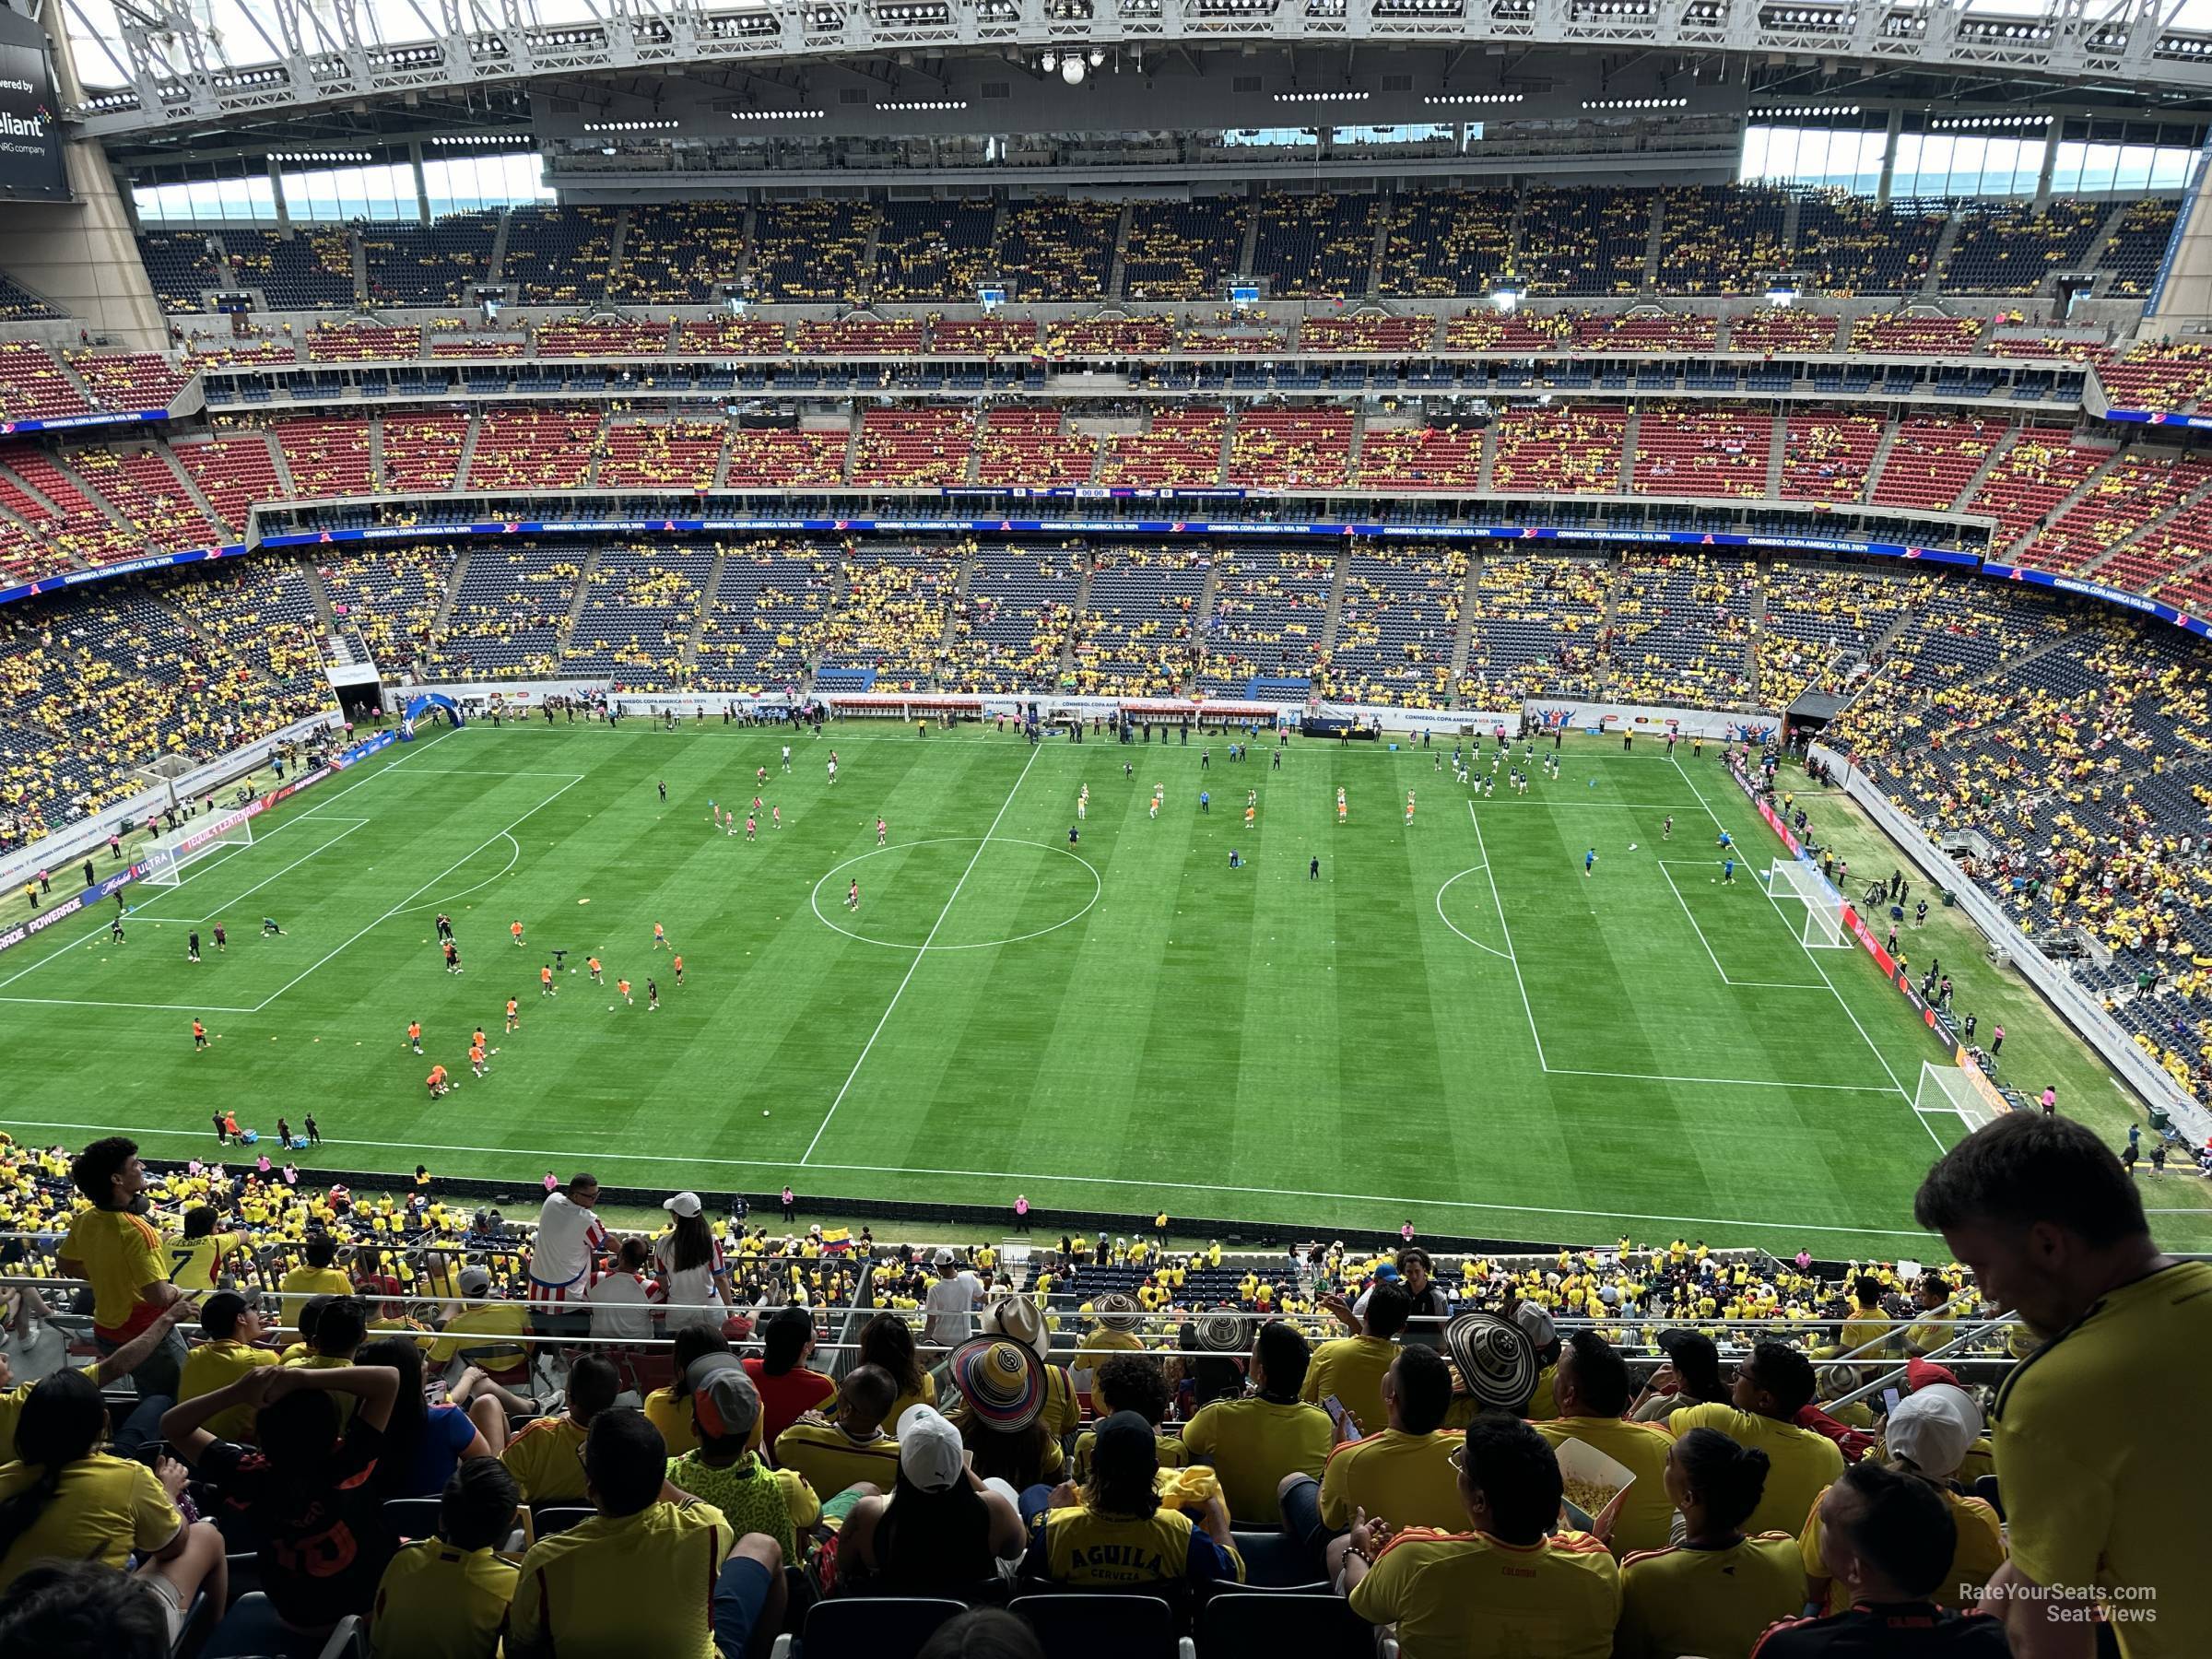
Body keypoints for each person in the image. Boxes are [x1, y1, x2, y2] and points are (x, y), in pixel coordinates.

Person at [1912, 1112, 2210, 1659]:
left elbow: (2046, 1641)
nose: (1988, 1297)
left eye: (1980, 1267)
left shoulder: (2053, 1396)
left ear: (2048, 1244)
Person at [507, 1407, 784, 1659]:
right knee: (761, 1544)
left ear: (590, 1488)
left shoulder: (545, 1560)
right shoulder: (708, 1529)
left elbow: (521, 1644)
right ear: (661, 1477)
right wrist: (646, 1469)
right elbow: (697, 1505)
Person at [161, 1360, 403, 1646]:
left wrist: (238, 1392)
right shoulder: (349, 1462)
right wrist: (302, 1378)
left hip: (295, 1617)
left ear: (261, 1438)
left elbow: (172, 1425)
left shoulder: (244, 1474)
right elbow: (389, 1378)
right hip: (369, 1611)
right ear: (334, 1436)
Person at [1338, 1413, 1618, 1656]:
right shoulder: (1599, 1568)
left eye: (1462, 1465)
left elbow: (1361, 1598)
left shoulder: (1416, 1558)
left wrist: (1358, 1551)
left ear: (1480, 1501)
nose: (1458, 1473)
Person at [1754, 1463, 2009, 1656]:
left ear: (1855, 1569)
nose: (1820, 1529)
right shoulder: (1988, 1638)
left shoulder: (1789, 1646)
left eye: (1826, 1522)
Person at [1799, 1382, 2004, 1616]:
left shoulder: (1836, 1503)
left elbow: (1812, 1589)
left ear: (1889, 1439)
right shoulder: (1981, 1518)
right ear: (1956, 1465)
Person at [1615, 1427, 1802, 1659]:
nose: (1665, 1466)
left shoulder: (1642, 1574)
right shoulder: (1786, 1550)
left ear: (1688, 1498)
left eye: (1669, 1462)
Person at [1286, 1343, 1465, 1569]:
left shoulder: (1349, 1458)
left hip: (1373, 1570)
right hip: (1444, 1566)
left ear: (1391, 1396)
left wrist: (1335, 1454)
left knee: (1292, 1483)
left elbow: (1328, 1521)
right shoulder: (1466, 1453)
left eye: (1390, 1372)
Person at [1022, 1411, 1242, 1591]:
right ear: (1155, 1469)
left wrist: (1053, 1514)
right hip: (1158, 1644)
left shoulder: (1056, 1533)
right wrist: (1212, 1506)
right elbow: (1232, 1572)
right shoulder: (1179, 1533)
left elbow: (1026, 1586)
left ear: (1093, 1461)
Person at [840, 1404, 1027, 1594]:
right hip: (969, 1617)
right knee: (997, 1485)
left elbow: (844, 1565)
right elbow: (1015, 1551)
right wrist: (956, 1466)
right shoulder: (995, 1508)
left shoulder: (868, 1514)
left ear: (904, 1460)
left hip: (897, 1619)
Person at [1665, 1340, 1843, 1538]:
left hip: (1724, 1554)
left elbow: (1651, 1429)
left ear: (1765, 1399)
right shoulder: (1830, 1452)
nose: (1734, 1378)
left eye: (1740, 1373)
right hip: (1789, 1562)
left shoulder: (1718, 1419)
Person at [55, 1138, 187, 1400]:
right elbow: (159, 1296)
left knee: (148, 1391)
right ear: (117, 1179)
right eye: (135, 1164)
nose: (143, 1166)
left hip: (105, 1329)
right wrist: (176, 1291)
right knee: (175, 1397)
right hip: (146, 1335)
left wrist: (110, 1274)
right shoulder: (139, 1231)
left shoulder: (85, 1219)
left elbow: (65, 1263)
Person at [664, 1358, 818, 1570]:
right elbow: (816, 1522)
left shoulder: (663, 1480)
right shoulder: (787, 1487)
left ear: (693, 1428)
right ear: (754, 1426)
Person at [1531, 1332, 1676, 1556]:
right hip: (1642, 1576)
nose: (1554, 1378)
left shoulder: (1527, 1446)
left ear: (1570, 1395)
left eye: (1558, 1372)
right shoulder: (1664, 1446)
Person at [1181, 1320, 1333, 1525]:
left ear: (1260, 1372)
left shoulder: (1218, 1414)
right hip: (1294, 1534)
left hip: (1229, 1529)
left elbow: (1182, 1443)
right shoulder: (1324, 1422)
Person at [367, 1458, 520, 1659]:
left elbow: (377, 1641)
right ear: (512, 1519)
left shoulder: (404, 1558)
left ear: (442, 1517)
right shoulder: (512, 1584)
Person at [361, 1336, 496, 1501]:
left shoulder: (363, 1423)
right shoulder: (446, 1416)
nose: (425, 1363)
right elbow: (484, 1463)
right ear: (413, 1373)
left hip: (384, 1520)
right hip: (442, 1517)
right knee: (488, 1404)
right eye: (418, 1358)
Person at [774, 1361, 901, 1501]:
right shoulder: (898, 1458)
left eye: (841, 1388)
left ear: (847, 1409)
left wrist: (807, 1422)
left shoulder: (800, 1437)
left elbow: (780, 1449)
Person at [500, 1355, 620, 1503]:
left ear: (568, 1397)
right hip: (597, 1523)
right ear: (618, 1389)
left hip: (538, 1524)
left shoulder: (538, 1433)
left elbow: (501, 1484)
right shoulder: (622, 1442)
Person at [1301, 1278, 1410, 1436]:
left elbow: (1307, 1402)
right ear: (1402, 1328)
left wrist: (1351, 1320)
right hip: (1383, 1453)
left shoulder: (1327, 1352)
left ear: (1365, 1314)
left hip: (1333, 1452)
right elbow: (1373, 1344)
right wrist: (1350, 1320)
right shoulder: (1406, 1364)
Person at [741, 1306, 836, 1448]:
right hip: (795, 1464)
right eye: (812, 1329)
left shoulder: (743, 1369)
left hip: (751, 1460)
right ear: (806, 1346)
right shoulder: (823, 1386)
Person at [526, 1172, 607, 1332]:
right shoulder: (588, 1220)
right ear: (576, 1195)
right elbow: (607, 1241)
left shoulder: (551, 1200)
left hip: (536, 1289)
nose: (595, 1199)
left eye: (597, 1194)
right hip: (570, 1294)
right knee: (573, 1339)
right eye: (591, 1196)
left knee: (544, 1336)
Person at [655, 1193, 730, 1333]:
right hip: (709, 1307)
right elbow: (720, 1278)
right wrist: (731, 1311)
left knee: (684, 1351)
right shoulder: (711, 1241)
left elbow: (661, 1278)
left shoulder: (662, 1243)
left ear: (676, 1217)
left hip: (678, 1307)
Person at [922, 1249, 982, 1351]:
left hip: (940, 1341)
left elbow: (931, 1323)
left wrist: (924, 1345)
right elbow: (983, 1297)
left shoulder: (934, 1290)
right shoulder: (969, 1279)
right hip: (964, 1341)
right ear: (953, 1263)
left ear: (939, 1269)